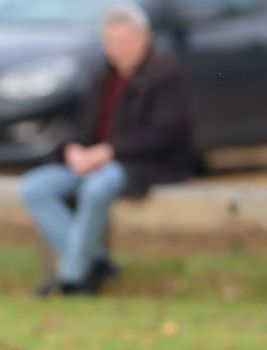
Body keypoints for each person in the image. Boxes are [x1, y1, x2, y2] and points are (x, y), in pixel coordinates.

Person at [20, 1, 192, 296]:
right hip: (93, 161)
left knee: (97, 188)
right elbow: (79, 123)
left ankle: (72, 278)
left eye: (124, 41)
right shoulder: (103, 75)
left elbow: (166, 134)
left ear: (144, 38)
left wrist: (109, 152)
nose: (117, 49)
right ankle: (96, 263)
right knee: (36, 187)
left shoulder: (165, 74)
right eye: (111, 41)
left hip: (143, 164)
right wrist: (72, 149)